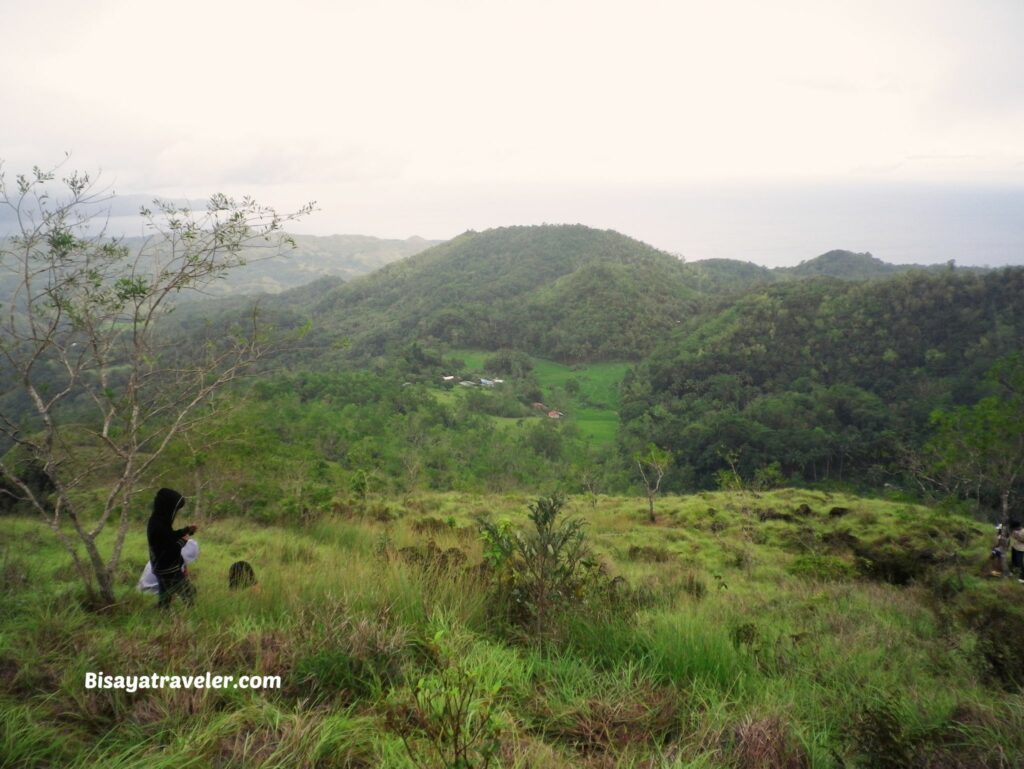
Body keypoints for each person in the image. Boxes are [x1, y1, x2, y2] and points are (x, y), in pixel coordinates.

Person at [146, 488, 198, 607]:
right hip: (168, 569)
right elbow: (170, 549)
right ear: (168, 507)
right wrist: (183, 541)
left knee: (165, 598)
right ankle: (188, 619)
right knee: (189, 594)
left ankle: (162, 612)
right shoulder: (158, 525)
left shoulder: (157, 521)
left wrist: (186, 530)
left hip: (160, 567)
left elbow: (168, 536)